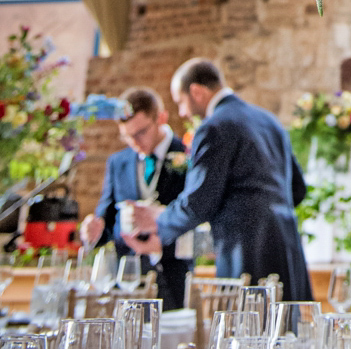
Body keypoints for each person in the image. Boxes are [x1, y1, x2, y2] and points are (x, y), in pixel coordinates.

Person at [127, 57, 311, 299]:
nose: (182, 112)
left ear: (196, 92)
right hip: (287, 247)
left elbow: (199, 202)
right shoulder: (270, 121)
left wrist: (159, 224)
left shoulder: (214, 127)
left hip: (245, 252)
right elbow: (297, 190)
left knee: (248, 329)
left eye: (181, 102)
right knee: (286, 329)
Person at [78, 87, 192, 310]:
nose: (134, 142)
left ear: (160, 118)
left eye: (140, 132)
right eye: (127, 136)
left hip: (175, 276)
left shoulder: (189, 155)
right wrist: (94, 229)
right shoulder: (117, 162)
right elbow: (108, 217)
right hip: (128, 280)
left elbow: (198, 218)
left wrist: (162, 244)